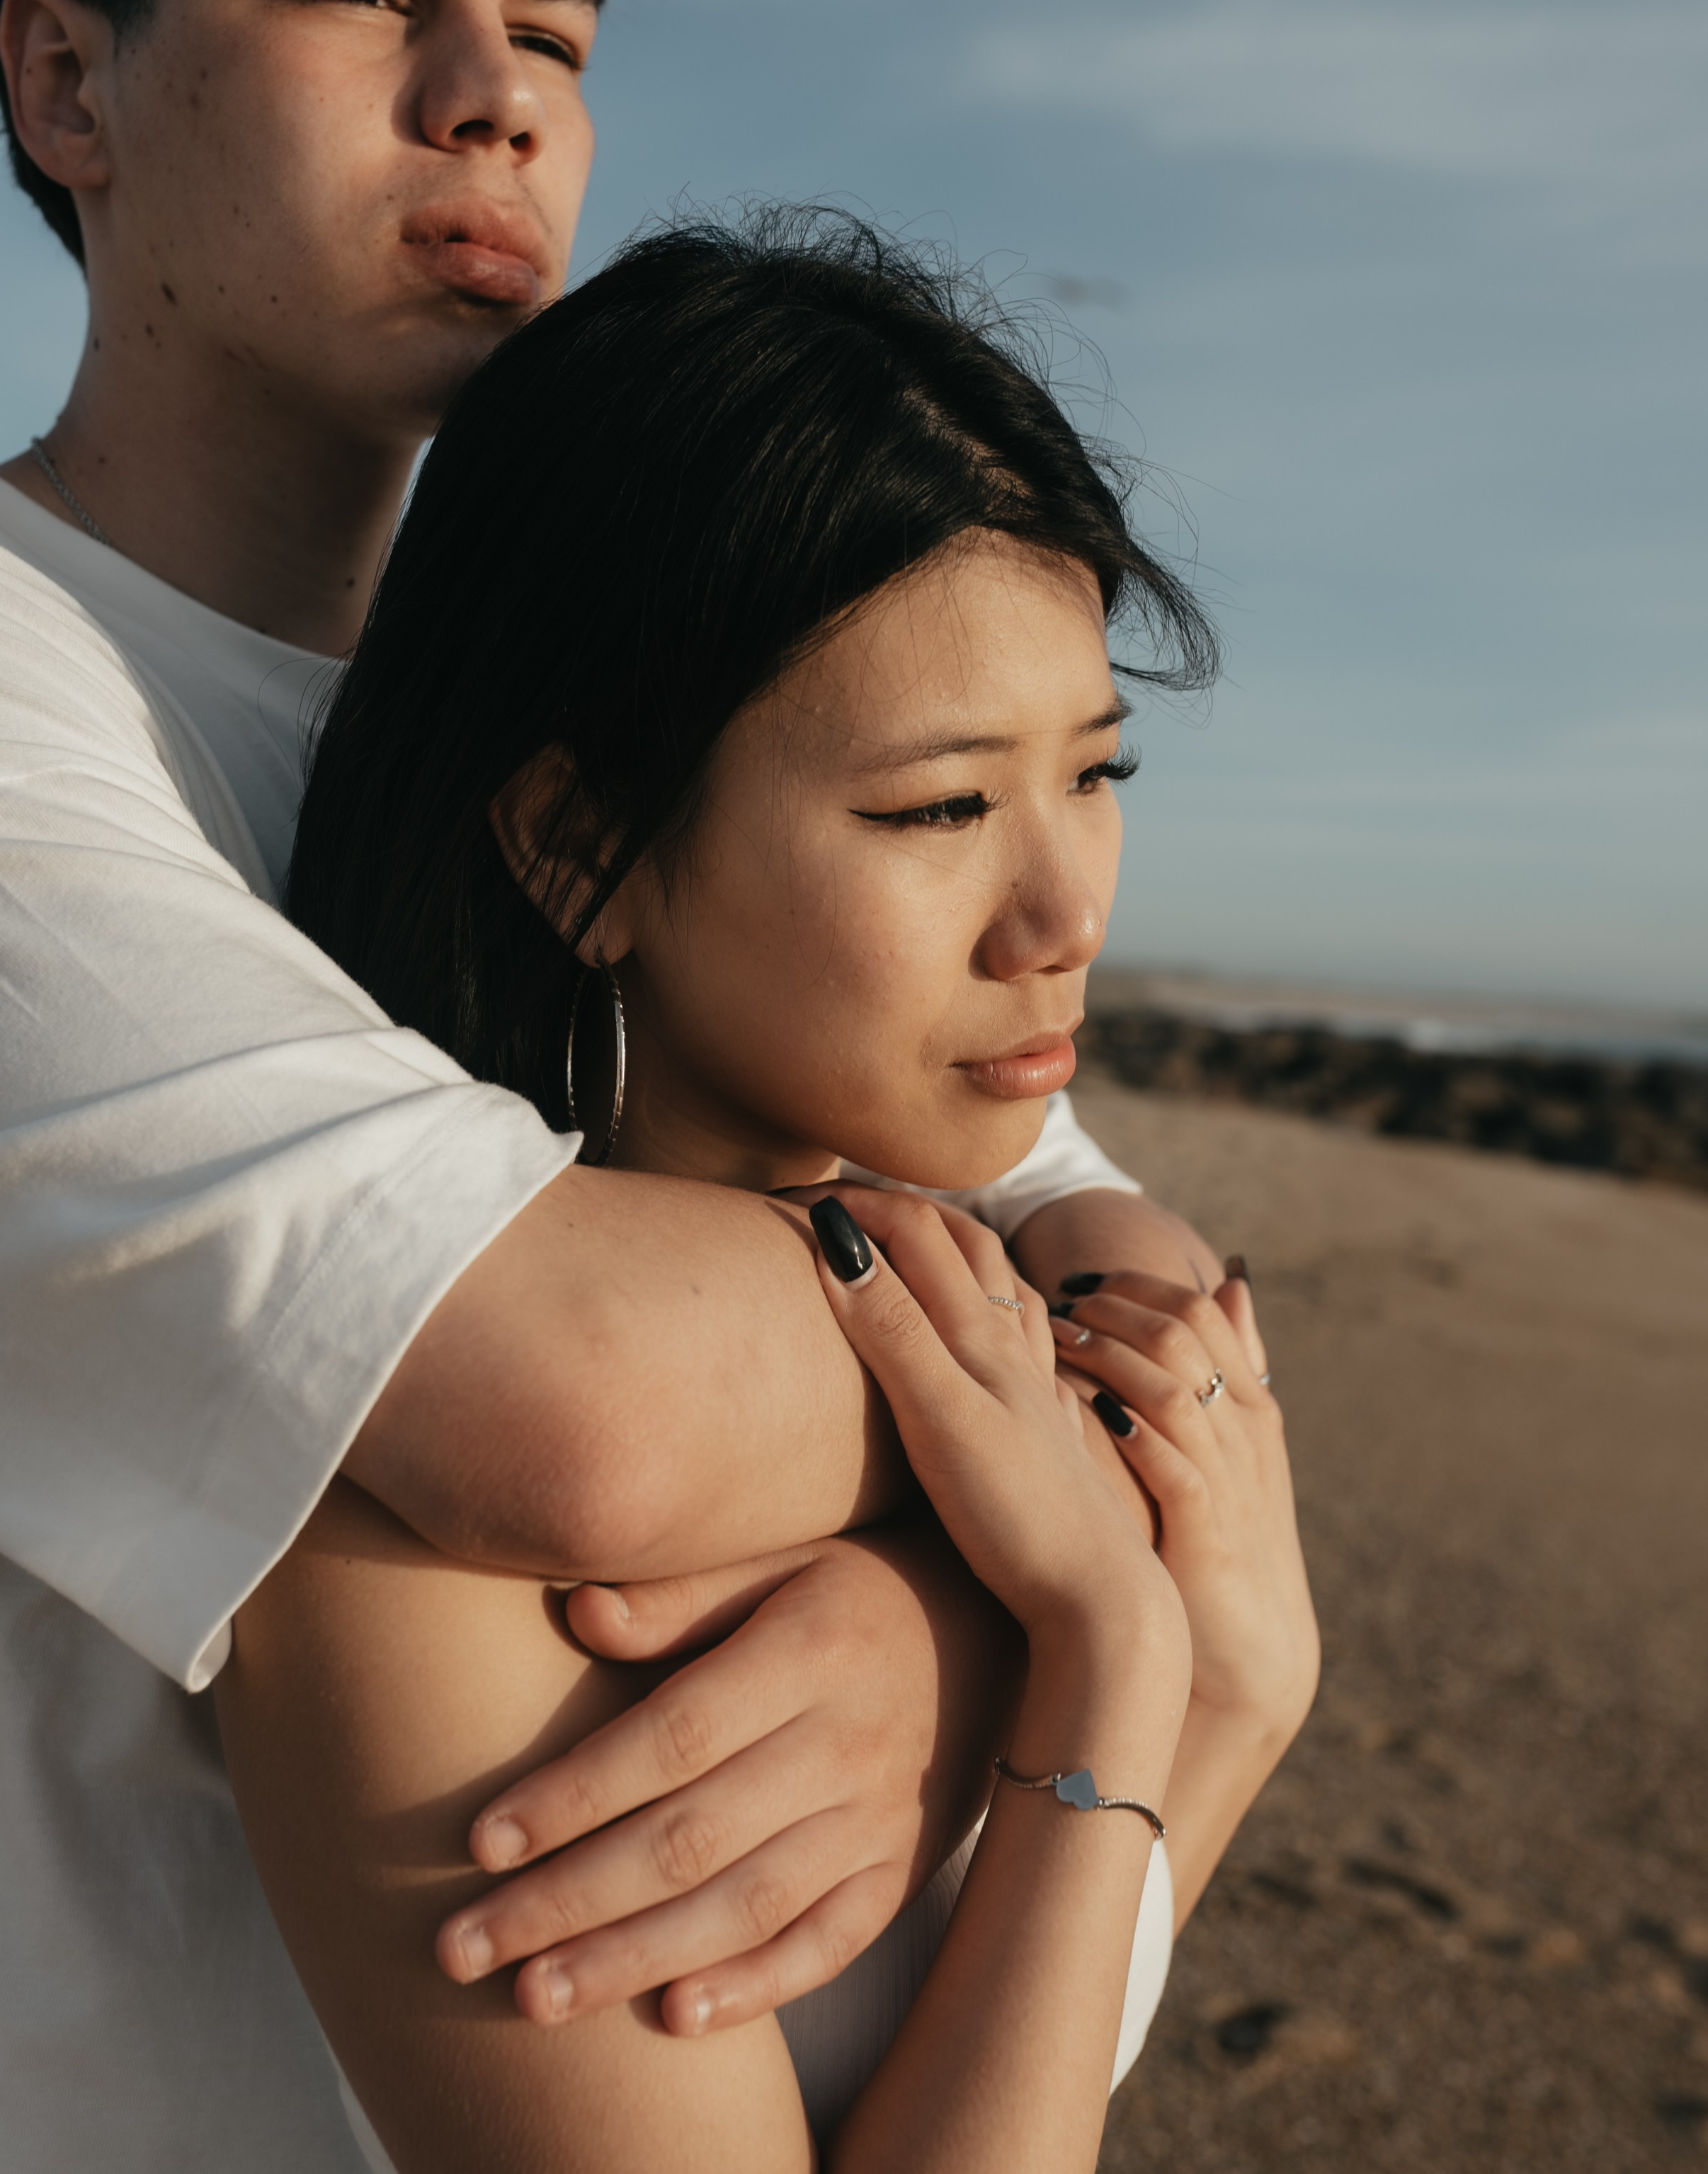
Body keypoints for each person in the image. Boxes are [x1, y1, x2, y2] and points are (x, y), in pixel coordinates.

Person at [0, 3, 1241, 2169]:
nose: (503, 90)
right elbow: (579, 1399)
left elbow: (1099, 1249)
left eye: (556, 25)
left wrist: (962, 1621)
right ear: (66, 77)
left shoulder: (651, 683)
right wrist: (1090, 1577)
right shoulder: (19, 688)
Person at [216, 213, 1320, 2171]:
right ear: (575, 846)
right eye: (941, 808)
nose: (1065, 915)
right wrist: (1127, 1658)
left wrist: (1200, 1699)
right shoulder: (420, 1557)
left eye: (1100, 774)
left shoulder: (1028, 1375)